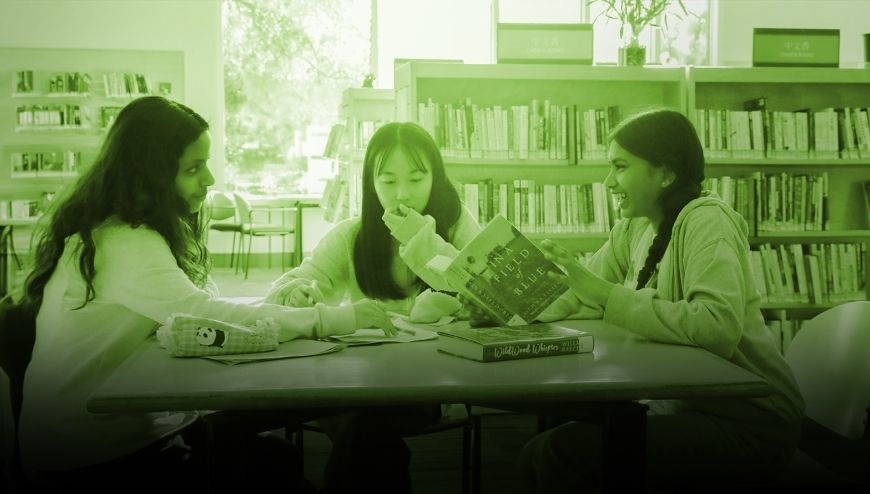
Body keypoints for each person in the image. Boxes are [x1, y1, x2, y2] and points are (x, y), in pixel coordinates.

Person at [16, 96, 394, 493]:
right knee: (274, 466)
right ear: (150, 177)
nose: (210, 180)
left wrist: (275, 313)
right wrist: (335, 318)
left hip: (90, 435)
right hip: (88, 456)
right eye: (194, 168)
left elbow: (190, 313)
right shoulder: (126, 243)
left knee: (273, 458)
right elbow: (204, 315)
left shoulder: (110, 230)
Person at [518, 109, 805, 492]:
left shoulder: (708, 222)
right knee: (542, 448)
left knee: (560, 451)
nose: (607, 182)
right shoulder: (634, 226)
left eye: (620, 167)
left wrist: (604, 294)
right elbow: (579, 296)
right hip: (679, 406)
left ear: (666, 174)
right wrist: (504, 309)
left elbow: (715, 327)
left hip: (749, 423)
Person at [265, 121, 481, 493]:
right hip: (357, 382)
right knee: (364, 423)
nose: (403, 194)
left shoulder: (458, 226)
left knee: (364, 426)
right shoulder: (353, 235)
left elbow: (488, 287)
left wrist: (422, 240)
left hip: (427, 383)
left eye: (416, 179)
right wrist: (298, 293)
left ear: (436, 177)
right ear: (370, 183)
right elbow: (283, 290)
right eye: (388, 181)